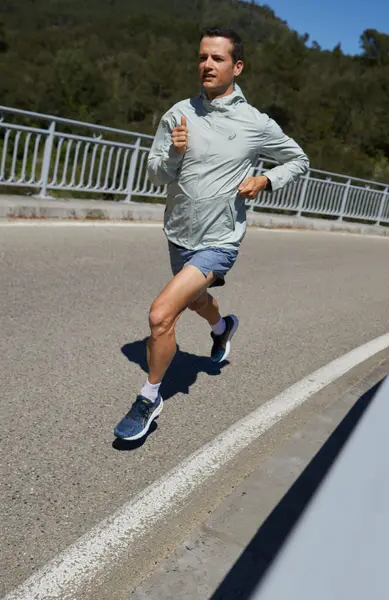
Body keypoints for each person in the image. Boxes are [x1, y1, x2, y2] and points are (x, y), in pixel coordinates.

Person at [114, 26, 310, 441]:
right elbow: (154, 173)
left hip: (220, 239)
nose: (207, 64)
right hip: (179, 233)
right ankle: (222, 328)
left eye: (217, 58)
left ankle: (149, 397)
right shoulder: (178, 114)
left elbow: (298, 159)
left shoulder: (255, 123)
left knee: (161, 314)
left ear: (236, 66)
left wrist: (265, 181)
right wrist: (174, 152)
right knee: (196, 299)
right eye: (203, 57)